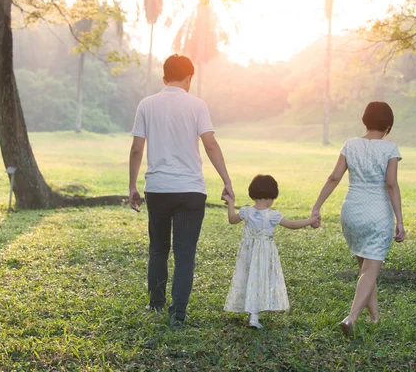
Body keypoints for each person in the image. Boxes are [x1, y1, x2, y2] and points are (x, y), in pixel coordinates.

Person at [128, 54, 234, 329]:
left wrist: (132, 186)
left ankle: (155, 304)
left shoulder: (147, 105)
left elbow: (137, 148)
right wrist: (226, 180)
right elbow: (210, 145)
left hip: (158, 190)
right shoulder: (197, 105)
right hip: (190, 191)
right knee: (185, 253)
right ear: (189, 78)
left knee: (158, 249)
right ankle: (178, 313)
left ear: (164, 78)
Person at [310, 101, 405, 337]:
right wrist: (400, 220)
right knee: (370, 270)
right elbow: (391, 184)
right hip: (377, 213)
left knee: (365, 268)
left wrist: (317, 207)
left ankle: (374, 318)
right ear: (388, 125)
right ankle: (351, 318)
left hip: (352, 211)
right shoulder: (390, 148)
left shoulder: (350, 144)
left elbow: (334, 177)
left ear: (365, 120)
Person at [222, 174, 319, 329]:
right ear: (270, 196)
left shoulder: (246, 211)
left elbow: (232, 219)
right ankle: (254, 315)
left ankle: (252, 312)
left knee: (249, 278)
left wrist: (230, 202)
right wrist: (311, 220)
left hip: (248, 253)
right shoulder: (272, 215)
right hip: (264, 254)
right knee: (260, 279)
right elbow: (292, 225)